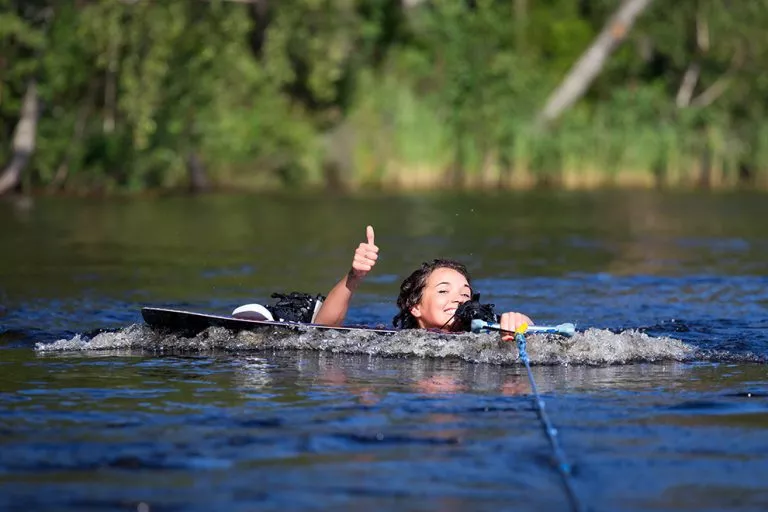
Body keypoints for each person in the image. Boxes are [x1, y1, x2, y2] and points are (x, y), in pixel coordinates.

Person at [313, 225, 533, 341]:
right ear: (415, 307)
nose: (458, 299)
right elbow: (322, 330)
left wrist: (521, 324)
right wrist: (354, 277)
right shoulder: (391, 340)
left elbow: (534, 338)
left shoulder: (486, 336)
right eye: (443, 291)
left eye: (465, 294)